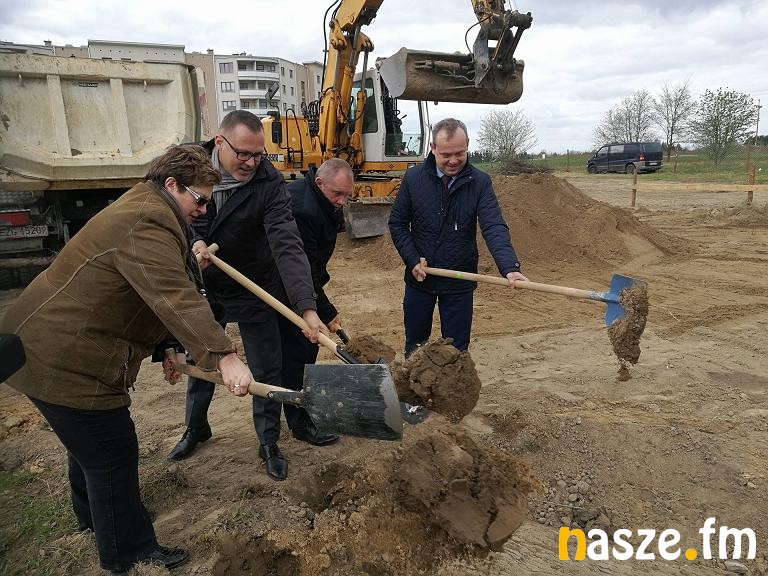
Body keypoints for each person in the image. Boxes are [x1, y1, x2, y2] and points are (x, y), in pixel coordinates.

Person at [0, 145, 254, 575]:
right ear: (172, 184)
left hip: (45, 347)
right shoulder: (146, 220)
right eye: (200, 199)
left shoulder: (149, 207)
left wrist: (168, 346)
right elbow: (173, 295)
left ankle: (94, 518)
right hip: (64, 356)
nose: (204, 210)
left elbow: (145, 288)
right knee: (111, 450)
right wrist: (225, 357)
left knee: (88, 446)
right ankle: (127, 551)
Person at [167, 110, 323, 482]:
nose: (252, 163)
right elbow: (167, 214)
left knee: (266, 366)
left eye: (258, 155)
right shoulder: (185, 166)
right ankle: (196, 427)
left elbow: (287, 243)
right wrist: (194, 241)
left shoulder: (268, 181)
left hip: (254, 282)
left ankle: (268, 442)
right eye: (244, 154)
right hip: (204, 283)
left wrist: (307, 307)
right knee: (203, 358)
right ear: (219, 143)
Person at [388, 117, 529, 357]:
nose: (453, 161)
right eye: (446, 155)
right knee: (415, 348)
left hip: (459, 280)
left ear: (467, 146)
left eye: (459, 153)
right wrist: (412, 259)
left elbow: (493, 226)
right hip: (420, 279)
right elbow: (398, 224)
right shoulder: (413, 179)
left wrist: (509, 267)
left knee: (456, 352)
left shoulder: (480, 182)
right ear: (433, 148)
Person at [278, 158, 354, 445]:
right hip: (285, 288)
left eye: (347, 195)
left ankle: (302, 413)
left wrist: (323, 308)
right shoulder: (301, 208)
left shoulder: (322, 200)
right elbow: (304, 269)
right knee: (297, 354)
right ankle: (299, 423)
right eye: (338, 194)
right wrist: (325, 309)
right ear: (320, 182)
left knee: (306, 349)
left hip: (304, 284)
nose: (343, 201)